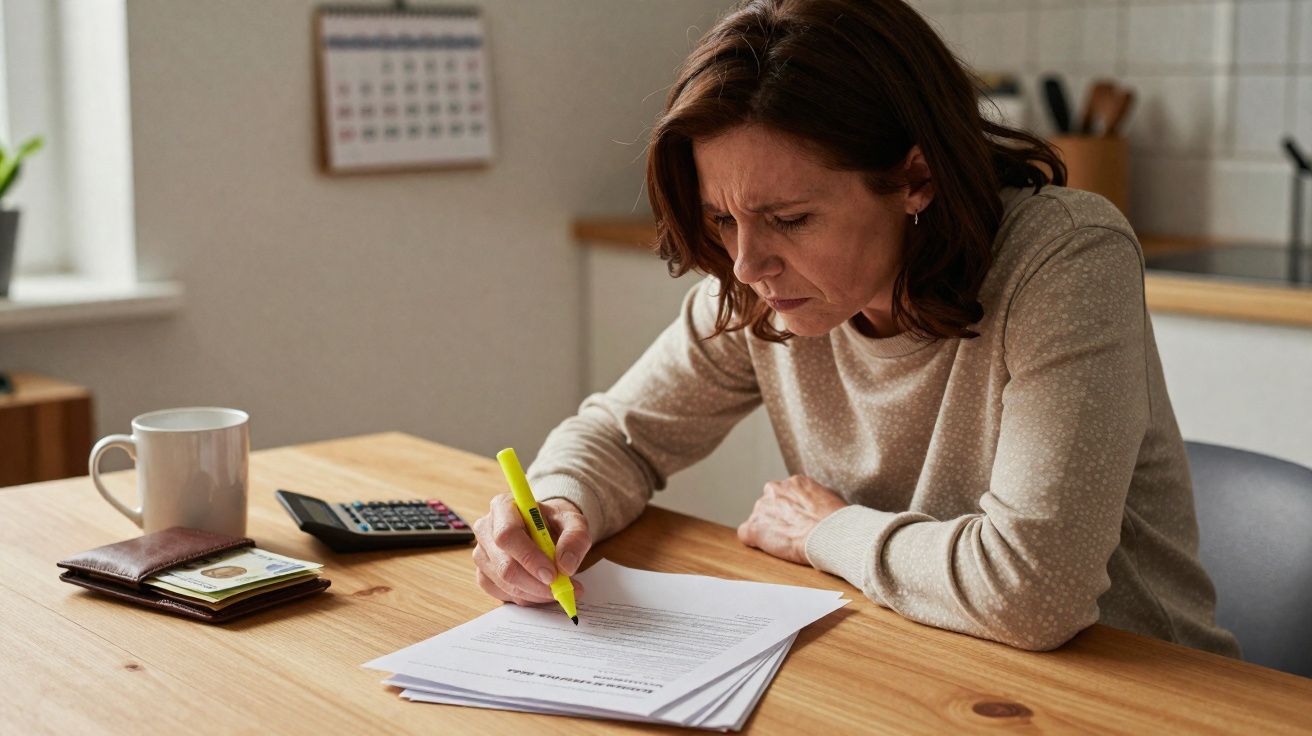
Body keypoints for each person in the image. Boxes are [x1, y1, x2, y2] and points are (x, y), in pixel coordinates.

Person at [471, 0, 1240, 657]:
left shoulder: (1066, 258)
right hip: (928, 657)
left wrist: (827, 534)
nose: (746, 264)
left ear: (915, 178)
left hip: (1136, 686)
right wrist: (559, 505)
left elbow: (1034, 591)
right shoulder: (767, 288)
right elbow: (622, 436)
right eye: (721, 219)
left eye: (791, 219)